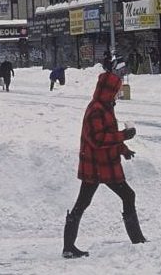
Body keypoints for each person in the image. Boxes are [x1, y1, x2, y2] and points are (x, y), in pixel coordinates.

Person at [62, 68, 145, 258]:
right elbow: (98, 139)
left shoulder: (105, 107)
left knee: (83, 203)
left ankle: (68, 247)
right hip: (99, 166)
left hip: (102, 164)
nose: (118, 93)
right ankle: (137, 240)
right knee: (127, 195)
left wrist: (123, 150)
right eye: (116, 90)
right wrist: (124, 135)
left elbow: (107, 136)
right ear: (108, 90)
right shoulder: (96, 110)